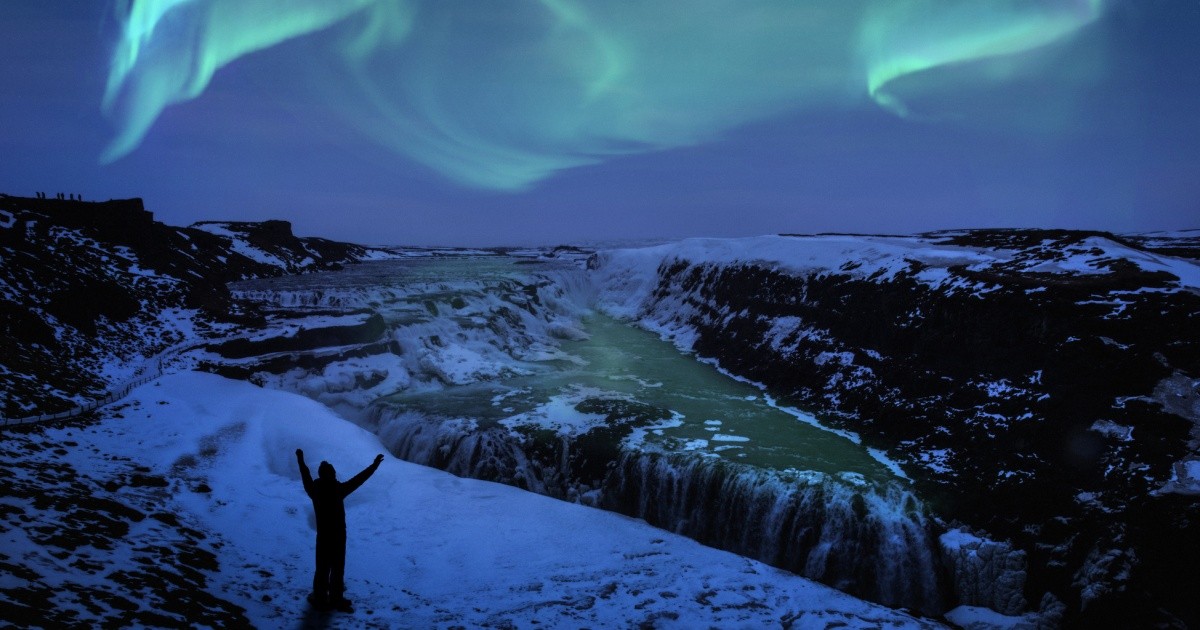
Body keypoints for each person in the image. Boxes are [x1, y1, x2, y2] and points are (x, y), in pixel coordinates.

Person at [296, 448, 384, 610]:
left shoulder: (315, 490)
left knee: (322, 567)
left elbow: (305, 474)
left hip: (323, 536)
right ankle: (335, 598)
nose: (335, 476)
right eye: (333, 473)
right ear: (330, 475)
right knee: (337, 567)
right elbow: (359, 479)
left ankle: (320, 596)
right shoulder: (338, 490)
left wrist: (300, 460)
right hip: (338, 535)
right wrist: (374, 466)